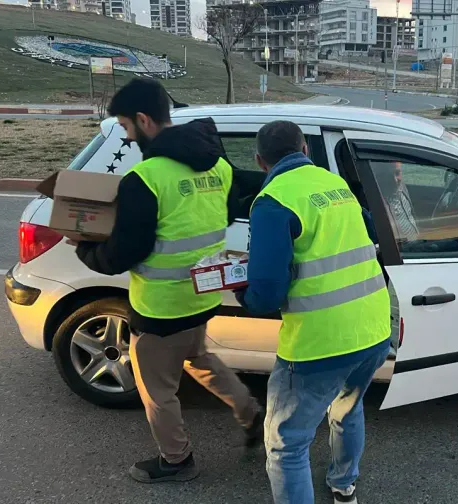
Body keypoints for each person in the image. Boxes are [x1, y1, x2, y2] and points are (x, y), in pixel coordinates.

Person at [73, 78, 262, 484]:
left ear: (143, 120)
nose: (127, 135)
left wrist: (83, 249)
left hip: (159, 308)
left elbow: (124, 253)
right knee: (198, 357)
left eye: (125, 127)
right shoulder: (219, 165)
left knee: (157, 389)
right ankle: (250, 412)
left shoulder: (145, 179)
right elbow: (225, 217)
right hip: (203, 294)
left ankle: (177, 461)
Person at [235, 121, 391, 504]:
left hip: (318, 343)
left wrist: (244, 292)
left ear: (259, 161)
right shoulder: (335, 185)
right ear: (305, 150)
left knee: (287, 444)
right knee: (347, 408)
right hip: (372, 329)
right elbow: (367, 235)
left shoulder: (273, 200)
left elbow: (267, 295)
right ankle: (344, 485)